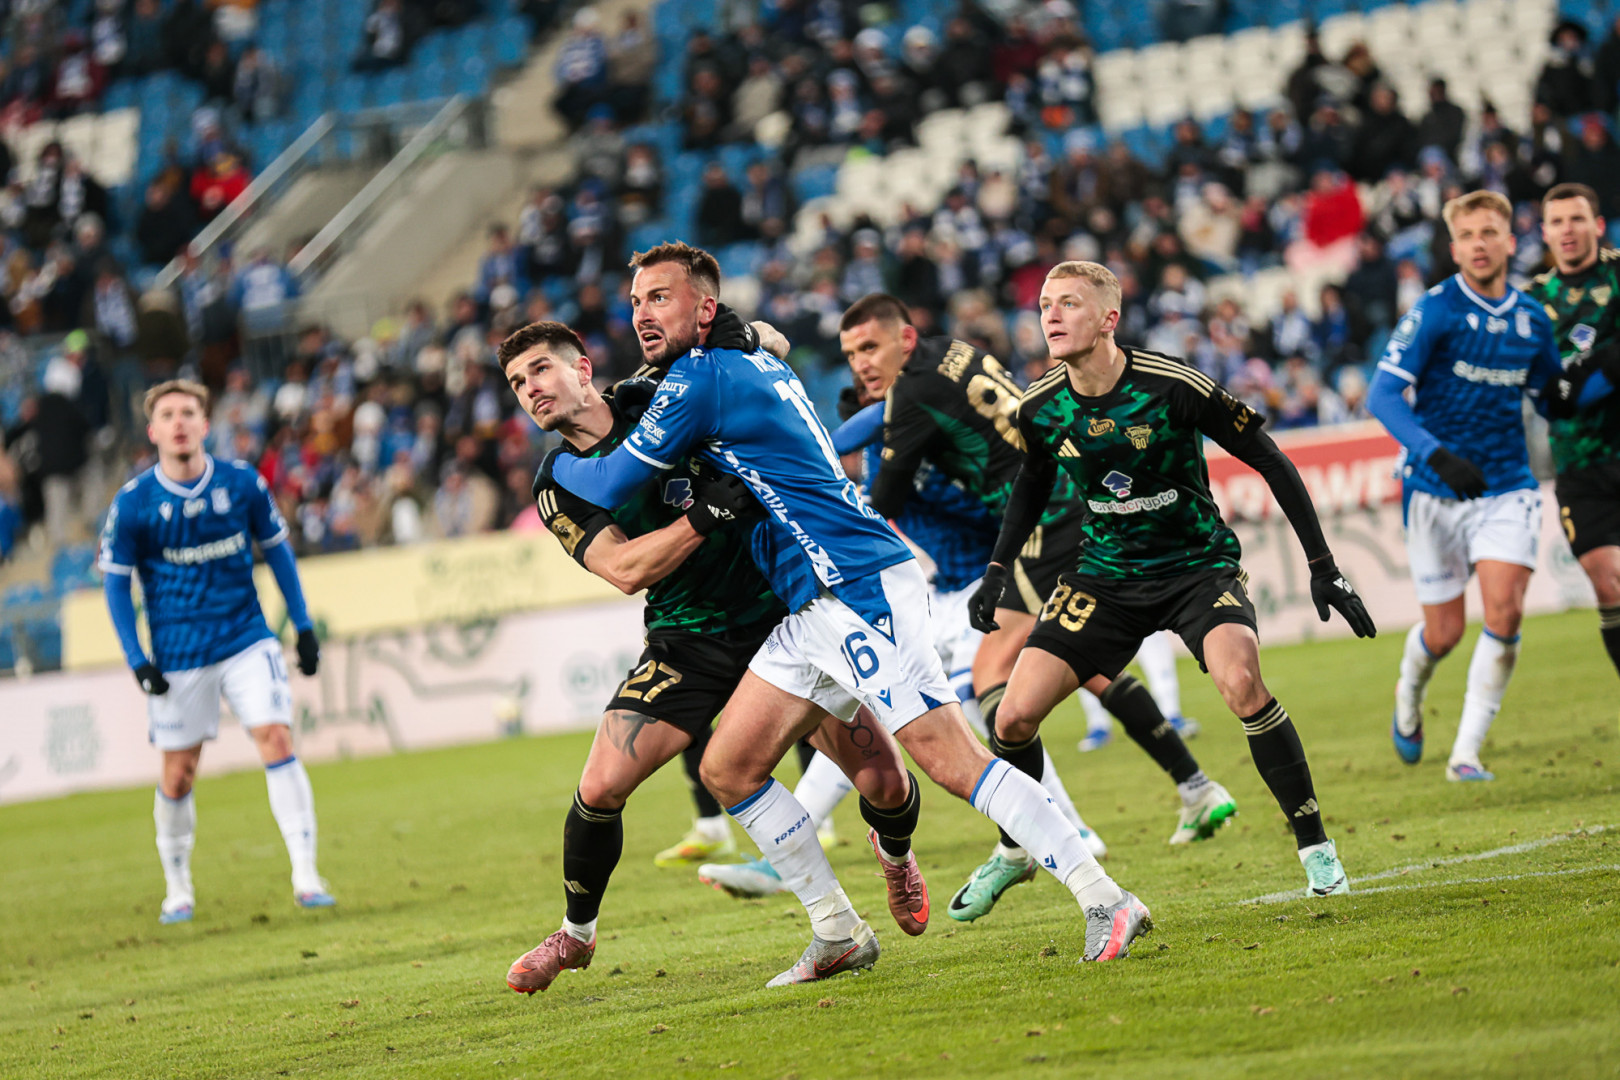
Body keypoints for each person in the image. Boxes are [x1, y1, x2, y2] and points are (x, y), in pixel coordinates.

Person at [547, 243, 1152, 973]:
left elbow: (607, 481)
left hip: (856, 586)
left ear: (705, 308)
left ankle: (1105, 897)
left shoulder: (703, 376)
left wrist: (554, 469)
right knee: (730, 766)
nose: (642, 314)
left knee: (950, 760)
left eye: (660, 298)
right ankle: (838, 931)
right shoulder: (741, 360)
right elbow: (774, 369)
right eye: (636, 301)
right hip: (809, 606)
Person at [503, 316, 929, 993]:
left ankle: (896, 856)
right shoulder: (559, 482)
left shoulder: (657, 392)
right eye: (517, 382)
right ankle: (575, 935)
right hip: (689, 636)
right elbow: (624, 569)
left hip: (783, 613)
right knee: (600, 787)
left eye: (540, 370)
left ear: (582, 368)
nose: (530, 388)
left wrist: (750, 332)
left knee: (885, 785)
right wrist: (704, 517)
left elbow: (767, 350)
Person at [968, 260, 1377, 900]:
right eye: (1045, 304)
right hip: (1104, 576)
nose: (1050, 315)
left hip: (1196, 568)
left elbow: (1270, 460)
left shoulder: (1172, 384)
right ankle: (1018, 848)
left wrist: (1322, 566)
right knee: (1013, 718)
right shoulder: (1040, 405)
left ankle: (1316, 849)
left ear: (1109, 318)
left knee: (1242, 684)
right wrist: (997, 570)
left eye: (1068, 303)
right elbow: (1032, 484)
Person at [833, 297, 1241, 921]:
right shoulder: (954, 351)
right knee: (1084, 667)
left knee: (994, 676)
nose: (862, 364)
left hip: (1043, 518)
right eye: (851, 355)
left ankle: (1021, 842)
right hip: (1069, 500)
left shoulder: (911, 393)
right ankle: (1196, 788)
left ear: (904, 340)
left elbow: (884, 495)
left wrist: (830, 475)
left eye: (870, 348)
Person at [1369, 190, 1594, 780]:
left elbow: (1555, 400)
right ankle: (1409, 692)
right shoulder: (1435, 310)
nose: (1479, 244)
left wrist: (1600, 373)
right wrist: (1435, 455)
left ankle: (1465, 753)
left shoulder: (1531, 319)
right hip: (1434, 488)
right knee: (1444, 633)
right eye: (1467, 235)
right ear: (1454, 248)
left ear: (1509, 241)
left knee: (1505, 612)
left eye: (1489, 232)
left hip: (1506, 486)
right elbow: (1383, 395)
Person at [98, 380, 329, 924]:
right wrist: (137, 659)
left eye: (188, 413)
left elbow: (278, 552)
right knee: (179, 773)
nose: (179, 423)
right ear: (153, 431)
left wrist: (302, 625)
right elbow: (115, 584)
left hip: (245, 638)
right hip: (178, 654)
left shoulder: (242, 482)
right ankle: (177, 887)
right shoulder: (134, 502)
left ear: (205, 424)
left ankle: (306, 875)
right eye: (168, 415)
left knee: (276, 737)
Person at [1526, 185, 1620, 681]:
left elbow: (1563, 393)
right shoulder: (1532, 302)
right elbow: (1544, 396)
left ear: (1598, 226)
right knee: (1609, 586)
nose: (1568, 230)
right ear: (1544, 233)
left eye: (1577, 219)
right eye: (1557, 221)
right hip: (1578, 464)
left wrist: (1580, 379)